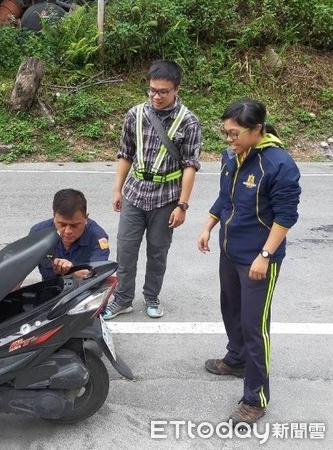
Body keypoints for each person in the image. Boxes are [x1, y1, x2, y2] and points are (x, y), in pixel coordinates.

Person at [197, 99, 301, 426]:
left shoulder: (279, 164)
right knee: (231, 308)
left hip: (259, 259)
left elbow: (286, 217)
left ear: (257, 130)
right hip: (231, 251)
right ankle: (236, 359)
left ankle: (255, 398)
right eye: (226, 133)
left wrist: (265, 256)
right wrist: (209, 226)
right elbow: (225, 196)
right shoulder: (234, 157)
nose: (229, 140)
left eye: (235, 134)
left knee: (256, 328)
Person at [103, 60, 201, 320]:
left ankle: (151, 296)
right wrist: (117, 190)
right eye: (152, 90)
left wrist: (182, 205)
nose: (156, 96)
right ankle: (122, 298)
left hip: (166, 198)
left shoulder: (188, 122)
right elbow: (125, 154)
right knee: (125, 249)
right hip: (134, 193)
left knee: (158, 251)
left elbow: (190, 165)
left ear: (176, 89)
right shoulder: (135, 114)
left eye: (163, 92)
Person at [30, 189, 110, 280]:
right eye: (62, 224)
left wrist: (72, 270)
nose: (68, 231)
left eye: (74, 225)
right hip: (49, 290)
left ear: (86, 218)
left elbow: (97, 274)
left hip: (83, 290)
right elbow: (21, 271)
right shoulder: (38, 234)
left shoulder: (98, 238)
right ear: (54, 216)